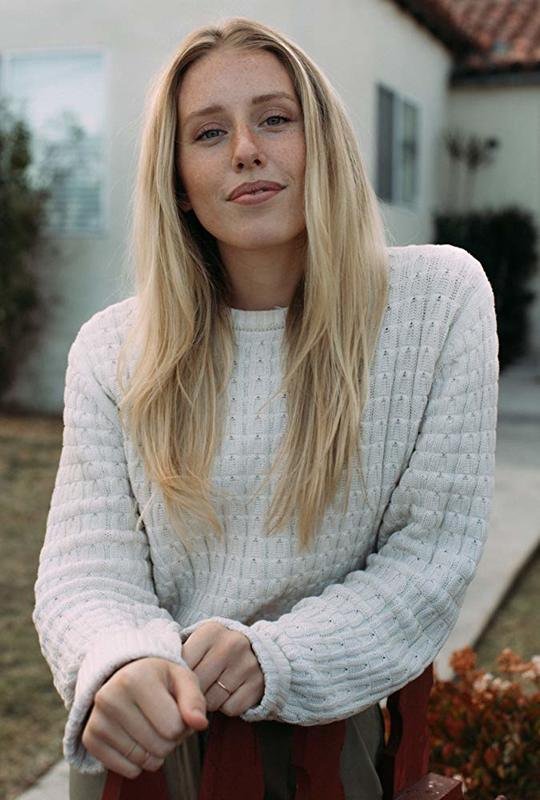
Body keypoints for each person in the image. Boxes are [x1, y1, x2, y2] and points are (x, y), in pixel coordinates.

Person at [32, 15, 499, 800]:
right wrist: (117, 659)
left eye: (276, 119)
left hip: (322, 745)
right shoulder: (113, 348)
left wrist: (274, 656)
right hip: (145, 751)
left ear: (324, 143)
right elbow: (86, 568)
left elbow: (431, 558)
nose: (246, 149)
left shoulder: (440, 302)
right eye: (209, 133)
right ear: (178, 182)